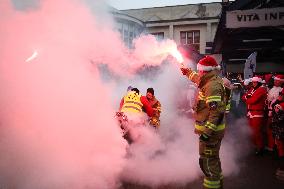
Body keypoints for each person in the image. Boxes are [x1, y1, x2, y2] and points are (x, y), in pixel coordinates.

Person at [180, 56, 226, 189]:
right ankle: (218, 185)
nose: (198, 73)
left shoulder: (212, 86)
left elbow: (216, 113)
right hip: (212, 132)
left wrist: (206, 133)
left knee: (208, 164)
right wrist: (187, 72)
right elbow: (198, 79)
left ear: (204, 71)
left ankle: (212, 186)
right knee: (213, 161)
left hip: (211, 134)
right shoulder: (209, 80)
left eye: (199, 70)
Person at [242, 76, 267, 155]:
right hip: (251, 113)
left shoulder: (261, 90)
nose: (253, 83)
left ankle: (260, 148)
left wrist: (247, 99)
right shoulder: (252, 89)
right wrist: (247, 97)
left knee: (257, 132)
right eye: (253, 82)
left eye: (255, 82)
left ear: (259, 82)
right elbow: (243, 97)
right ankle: (255, 146)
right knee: (252, 131)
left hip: (257, 113)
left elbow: (253, 100)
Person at [266, 74, 284, 153]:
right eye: (275, 80)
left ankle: (276, 147)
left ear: (281, 82)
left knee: (276, 131)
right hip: (270, 112)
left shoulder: (281, 90)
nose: (275, 82)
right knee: (270, 130)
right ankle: (272, 146)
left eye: (277, 81)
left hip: (276, 113)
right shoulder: (272, 89)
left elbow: (277, 103)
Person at [271, 89, 284, 181]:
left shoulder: (280, 105)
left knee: (281, 148)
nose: (279, 95)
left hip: (281, 130)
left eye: (280, 94)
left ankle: (282, 169)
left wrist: (277, 101)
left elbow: (279, 118)